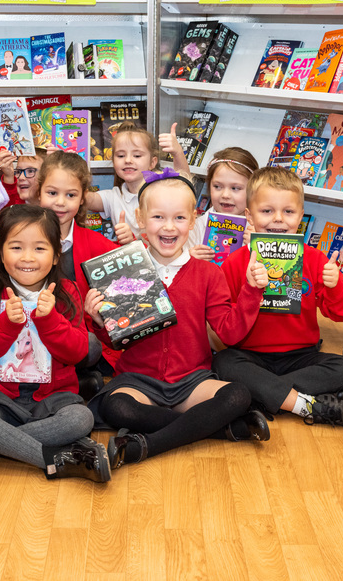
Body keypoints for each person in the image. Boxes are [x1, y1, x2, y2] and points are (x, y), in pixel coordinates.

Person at [85, 170, 270, 468]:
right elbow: (117, 342)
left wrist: (251, 291)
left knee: (237, 395)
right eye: (158, 217)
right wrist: (98, 320)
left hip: (192, 381)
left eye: (179, 218)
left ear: (193, 220)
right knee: (116, 406)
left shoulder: (209, 274)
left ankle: (147, 445)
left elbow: (230, 334)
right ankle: (216, 429)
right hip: (139, 380)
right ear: (140, 218)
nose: (169, 227)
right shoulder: (124, 271)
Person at [0, 205, 110, 482]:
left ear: (55, 256)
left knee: (80, 419)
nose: (27, 258)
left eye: (39, 248)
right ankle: (56, 459)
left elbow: (78, 352)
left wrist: (50, 320)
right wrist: (5, 324)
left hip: (52, 398)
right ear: (1, 254)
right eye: (16, 247)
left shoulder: (67, 291)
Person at [214, 167, 343, 427]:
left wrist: (336, 284)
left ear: (301, 216)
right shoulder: (235, 263)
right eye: (267, 211)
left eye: (288, 211)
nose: (278, 219)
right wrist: (251, 290)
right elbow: (227, 334)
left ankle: (262, 396)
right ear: (249, 215)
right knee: (223, 362)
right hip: (251, 356)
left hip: (301, 357)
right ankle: (304, 405)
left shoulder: (315, 259)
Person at [35, 151, 122, 390]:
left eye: (70, 195)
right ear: (39, 191)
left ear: (83, 198)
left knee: (90, 346)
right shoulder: (23, 238)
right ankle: (75, 381)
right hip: (31, 332)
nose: (60, 202)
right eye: (52, 193)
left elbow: (128, 282)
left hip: (74, 338)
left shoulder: (98, 245)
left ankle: (60, 378)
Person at [83, 121, 157, 243]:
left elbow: (185, 186)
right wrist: (63, 165)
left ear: (152, 163)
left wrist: (177, 152)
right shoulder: (113, 196)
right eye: (121, 156)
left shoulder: (161, 192)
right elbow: (80, 198)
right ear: (113, 161)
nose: (128, 160)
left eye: (137, 156)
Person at [186, 147, 259, 257]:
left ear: (253, 190)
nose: (225, 195)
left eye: (235, 188)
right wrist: (190, 260)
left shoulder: (260, 230)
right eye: (217, 186)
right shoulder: (194, 228)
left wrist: (259, 249)